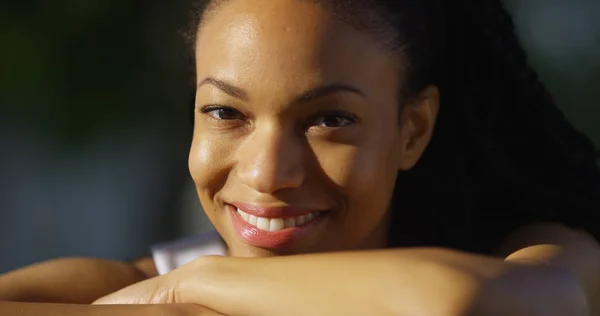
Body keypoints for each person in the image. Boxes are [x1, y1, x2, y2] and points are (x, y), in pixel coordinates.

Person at [2, 0, 600, 315]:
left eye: (328, 119)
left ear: (413, 129)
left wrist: (191, 293)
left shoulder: (531, 253)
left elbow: (463, 304)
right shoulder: (143, 282)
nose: (267, 173)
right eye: (225, 113)